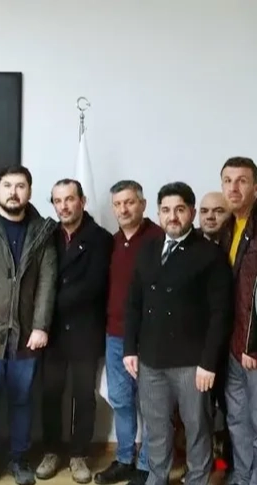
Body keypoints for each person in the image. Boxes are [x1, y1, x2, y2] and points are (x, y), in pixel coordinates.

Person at [124, 182, 232, 485]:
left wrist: (208, 362)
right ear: (158, 213)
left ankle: (198, 479)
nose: (172, 216)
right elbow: (133, 303)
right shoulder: (147, 250)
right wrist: (130, 348)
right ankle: (157, 478)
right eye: (166, 210)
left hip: (192, 363)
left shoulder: (210, 254)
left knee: (197, 428)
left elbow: (220, 314)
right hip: (151, 360)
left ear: (192, 213)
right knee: (157, 428)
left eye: (180, 209)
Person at [0, 165, 57, 485]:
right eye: (7, 185)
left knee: (22, 400)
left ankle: (20, 459)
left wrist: (41, 326)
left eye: (20, 186)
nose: (13, 192)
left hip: (26, 334)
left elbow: (48, 281)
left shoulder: (43, 230)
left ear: (29, 192)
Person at [38, 179, 113, 484]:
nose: (64, 206)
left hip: (85, 329)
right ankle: (51, 451)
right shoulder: (47, 235)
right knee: (50, 393)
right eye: (58, 201)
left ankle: (79, 454)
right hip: (52, 330)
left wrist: (51, 300)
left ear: (82, 201)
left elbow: (95, 285)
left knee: (83, 396)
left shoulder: (101, 238)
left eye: (70, 199)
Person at [95, 180, 162, 485]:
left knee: (150, 403)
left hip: (150, 336)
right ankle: (124, 458)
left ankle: (146, 465)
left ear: (143, 204)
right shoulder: (111, 243)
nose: (123, 209)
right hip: (115, 335)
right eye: (118, 204)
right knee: (121, 400)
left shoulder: (159, 239)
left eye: (130, 202)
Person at [218, 156, 257, 485]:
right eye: (228, 180)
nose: (234, 187)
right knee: (237, 419)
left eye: (242, 180)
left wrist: (253, 343)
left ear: (255, 187)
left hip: (252, 347)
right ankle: (242, 476)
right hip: (232, 345)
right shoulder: (228, 228)